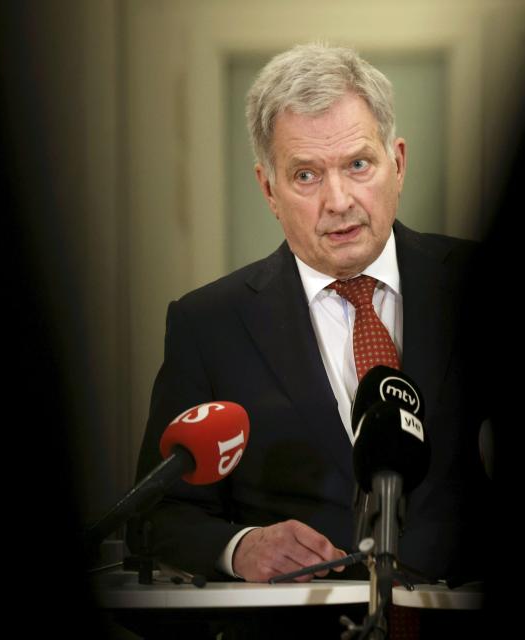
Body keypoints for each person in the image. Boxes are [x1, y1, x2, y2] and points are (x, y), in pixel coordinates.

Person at [128, 43, 488, 587]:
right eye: (305, 176)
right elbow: (156, 517)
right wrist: (239, 547)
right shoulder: (209, 325)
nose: (338, 200)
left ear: (399, 163)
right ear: (268, 189)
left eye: (358, 164)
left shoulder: (479, 286)